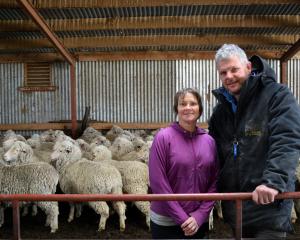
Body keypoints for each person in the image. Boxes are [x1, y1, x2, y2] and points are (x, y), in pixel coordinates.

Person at [208, 43, 300, 238]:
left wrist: (273, 182)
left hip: (268, 205)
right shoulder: (221, 112)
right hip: (237, 208)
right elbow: (214, 154)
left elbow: (287, 139)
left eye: (234, 69)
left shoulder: (276, 95)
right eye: (223, 72)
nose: (229, 76)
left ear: (248, 67)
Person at [149, 88, 218, 239]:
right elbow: (158, 182)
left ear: (199, 108)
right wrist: (183, 218)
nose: (188, 107)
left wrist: (200, 215)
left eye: (193, 103)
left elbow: (214, 181)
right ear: (177, 109)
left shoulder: (209, 141)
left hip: (198, 222)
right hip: (166, 222)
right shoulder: (163, 138)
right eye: (183, 104)